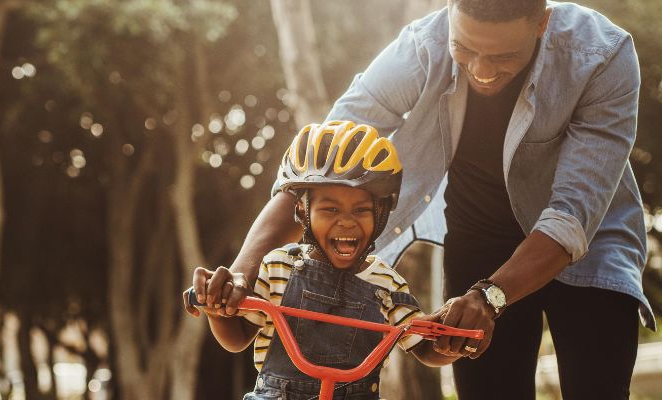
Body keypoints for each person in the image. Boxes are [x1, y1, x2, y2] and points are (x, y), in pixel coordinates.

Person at [198, 1, 653, 398]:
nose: (482, 70)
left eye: (503, 56)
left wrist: (490, 296)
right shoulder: (421, 47)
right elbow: (322, 165)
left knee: (598, 386)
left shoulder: (603, 55)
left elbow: (570, 216)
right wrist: (241, 273)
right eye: (465, 50)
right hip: (481, 235)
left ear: (542, 24)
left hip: (590, 243)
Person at [189, 121, 461, 399]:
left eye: (361, 210)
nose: (346, 221)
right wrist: (216, 307)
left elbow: (423, 347)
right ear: (302, 211)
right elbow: (237, 338)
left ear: (381, 214)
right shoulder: (278, 266)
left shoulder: (386, 282)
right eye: (330, 209)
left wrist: (450, 342)